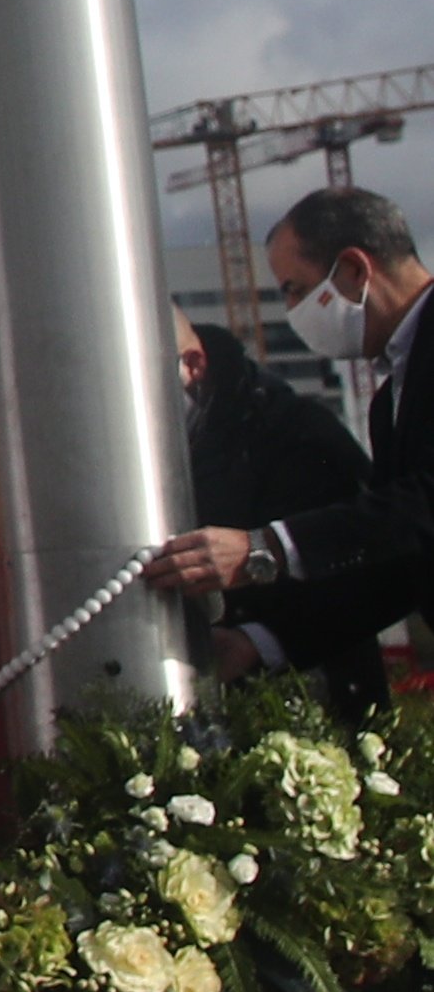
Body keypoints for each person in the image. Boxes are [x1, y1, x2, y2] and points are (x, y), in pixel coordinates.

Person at [147, 189, 434, 683]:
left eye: (296, 289)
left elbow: (424, 505)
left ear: (354, 271)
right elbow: (404, 563)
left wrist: (266, 549)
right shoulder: (391, 398)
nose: (293, 308)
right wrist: (263, 643)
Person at [168, 306, 382, 712]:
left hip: (314, 714)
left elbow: (375, 569)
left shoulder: (295, 431)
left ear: (193, 365)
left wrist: (260, 640)